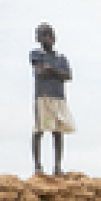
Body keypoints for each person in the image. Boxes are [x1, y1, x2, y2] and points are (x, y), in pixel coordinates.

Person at [30, 23, 75, 177]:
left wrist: (52, 70)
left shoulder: (60, 58)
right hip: (44, 98)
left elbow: (68, 76)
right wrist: (55, 72)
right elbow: (39, 72)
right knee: (40, 129)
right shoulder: (37, 54)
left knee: (58, 131)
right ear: (39, 38)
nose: (48, 38)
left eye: (50, 35)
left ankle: (57, 167)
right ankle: (38, 166)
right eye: (44, 35)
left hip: (58, 99)